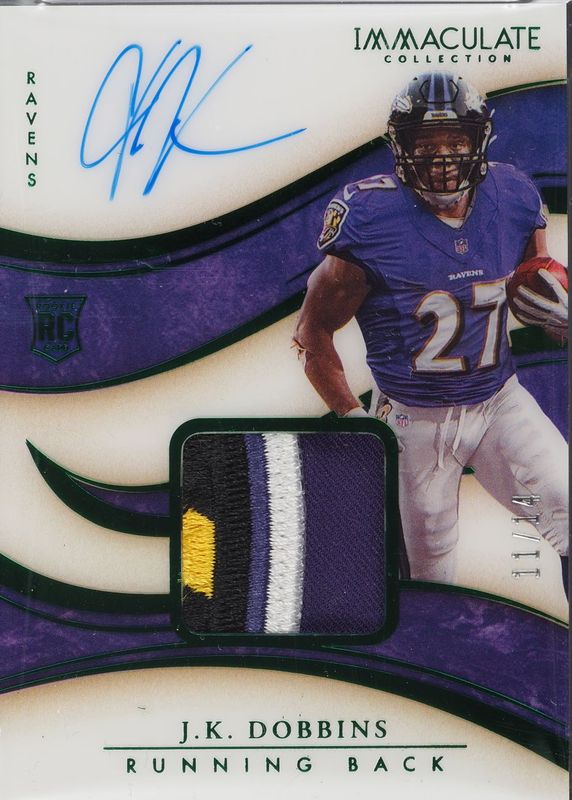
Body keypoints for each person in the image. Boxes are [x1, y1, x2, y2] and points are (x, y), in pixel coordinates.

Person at [294, 71, 568, 592]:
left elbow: (539, 282)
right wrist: (353, 420)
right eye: (426, 144)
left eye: (455, 142)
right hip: (412, 419)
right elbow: (313, 331)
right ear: (401, 148)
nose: (442, 158)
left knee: (567, 507)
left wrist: (560, 320)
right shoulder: (369, 216)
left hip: (499, 402)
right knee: (428, 576)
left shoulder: (513, 194)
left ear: (478, 141)